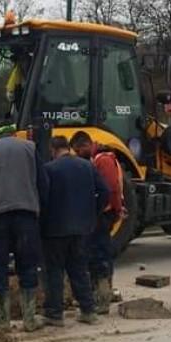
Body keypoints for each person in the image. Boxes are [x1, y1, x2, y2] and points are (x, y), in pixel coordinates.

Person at [0, 120, 49, 332]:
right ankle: (30, 319)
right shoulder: (30, 149)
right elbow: (43, 183)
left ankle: (2, 320)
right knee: (28, 264)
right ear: (14, 134)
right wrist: (39, 210)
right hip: (25, 216)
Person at [41, 135, 109, 326]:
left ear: (53, 150)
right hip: (82, 228)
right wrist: (93, 213)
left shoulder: (49, 169)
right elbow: (104, 191)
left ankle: (54, 314)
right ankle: (88, 311)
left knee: (54, 271)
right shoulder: (87, 166)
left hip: (55, 229)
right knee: (79, 269)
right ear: (68, 147)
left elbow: (43, 199)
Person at [70, 131, 124, 314]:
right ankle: (101, 294)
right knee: (96, 255)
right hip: (102, 213)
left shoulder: (103, 160)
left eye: (78, 150)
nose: (77, 154)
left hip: (102, 214)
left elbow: (111, 189)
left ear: (85, 144)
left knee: (99, 256)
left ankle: (102, 299)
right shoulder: (97, 158)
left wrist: (114, 210)